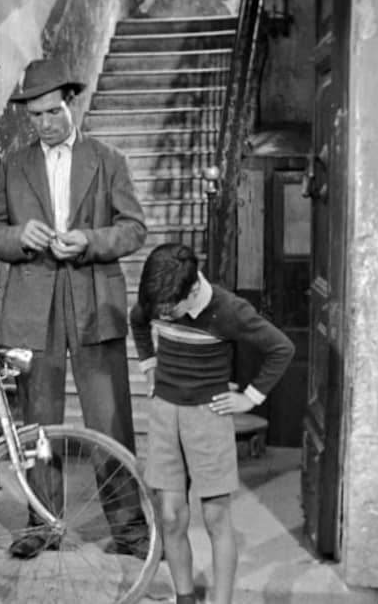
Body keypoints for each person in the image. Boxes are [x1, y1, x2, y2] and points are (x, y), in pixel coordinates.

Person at [0, 57, 148, 559]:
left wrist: (90, 239)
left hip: (94, 304)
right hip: (33, 310)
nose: (45, 124)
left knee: (111, 422)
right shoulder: (15, 165)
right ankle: (43, 523)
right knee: (37, 424)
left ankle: (130, 530)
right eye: (35, 116)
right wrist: (17, 237)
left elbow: (135, 228)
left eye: (53, 112)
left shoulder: (108, 160)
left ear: (71, 104)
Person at [129, 243, 295, 604]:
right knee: (171, 517)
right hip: (164, 415)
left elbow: (281, 348)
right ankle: (185, 598)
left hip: (208, 417)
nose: (163, 315)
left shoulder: (229, 310)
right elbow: (138, 320)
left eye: (168, 311)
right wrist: (149, 365)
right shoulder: (159, 297)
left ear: (191, 292)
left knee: (216, 516)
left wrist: (250, 398)